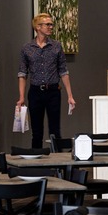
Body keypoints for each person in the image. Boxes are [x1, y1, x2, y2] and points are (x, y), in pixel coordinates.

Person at [17, 13, 76, 148]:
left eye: (51, 24)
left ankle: (58, 165)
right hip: (35, 92)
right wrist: (21, 98)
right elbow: (22, 73)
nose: (51, 27)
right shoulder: (27, 48)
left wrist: (70, 96)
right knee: (37, 132)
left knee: (55, 131)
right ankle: (36, 165)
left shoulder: (56, 46)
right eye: (47, 24)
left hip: (53, 91)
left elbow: (63, 71)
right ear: (38, 27)